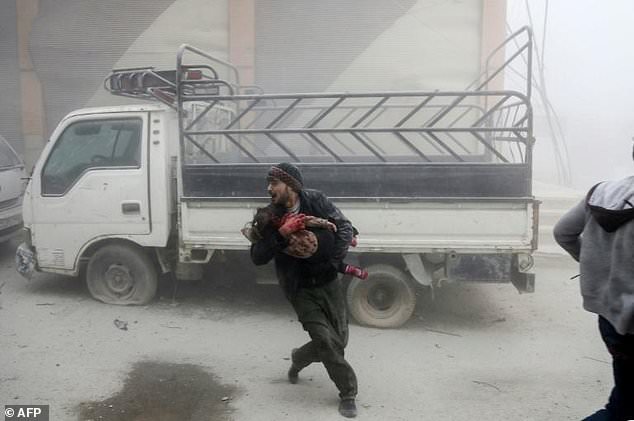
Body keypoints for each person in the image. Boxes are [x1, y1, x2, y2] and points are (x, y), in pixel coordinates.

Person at [249, 162, 359, 418]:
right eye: (269, 183)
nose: (269, 189)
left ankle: (298, 358)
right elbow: (257, 256)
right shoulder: (268, 217)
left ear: (291, 185)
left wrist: (333, 260)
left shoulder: (315, 200)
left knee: (338, 342)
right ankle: (348, 393)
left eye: (274, 183)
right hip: (298, 288)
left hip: (328, 281)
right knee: (325, 340)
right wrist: (282, 234)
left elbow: (343, 225)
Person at [553, 147, 634, 421]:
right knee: (621, 408)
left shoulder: (601, 192)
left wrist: (595, 266)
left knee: (622, 405)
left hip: (610, 319)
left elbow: (563, 232)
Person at [242, 204, 368, 280]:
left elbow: (263, 244)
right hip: (317, 243)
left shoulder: (275, 238)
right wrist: (325, 223)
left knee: (331, 263)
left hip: (312, 253)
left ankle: (348, 268)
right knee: (333, 238)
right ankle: (349, 242)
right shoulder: (287, 223)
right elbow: (308, 220)